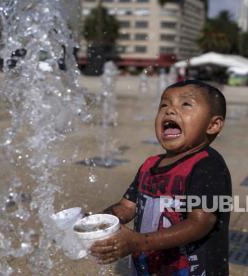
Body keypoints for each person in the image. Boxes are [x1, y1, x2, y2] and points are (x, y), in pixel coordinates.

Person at [90, 79, 232, 275]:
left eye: (186, 104)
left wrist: (139, 241)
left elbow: (200, 223)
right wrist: (97, 221)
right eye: (164, 105)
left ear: (213, 125)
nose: (170, 111)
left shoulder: (208, 165)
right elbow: (126, 207)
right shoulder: (150, 165)